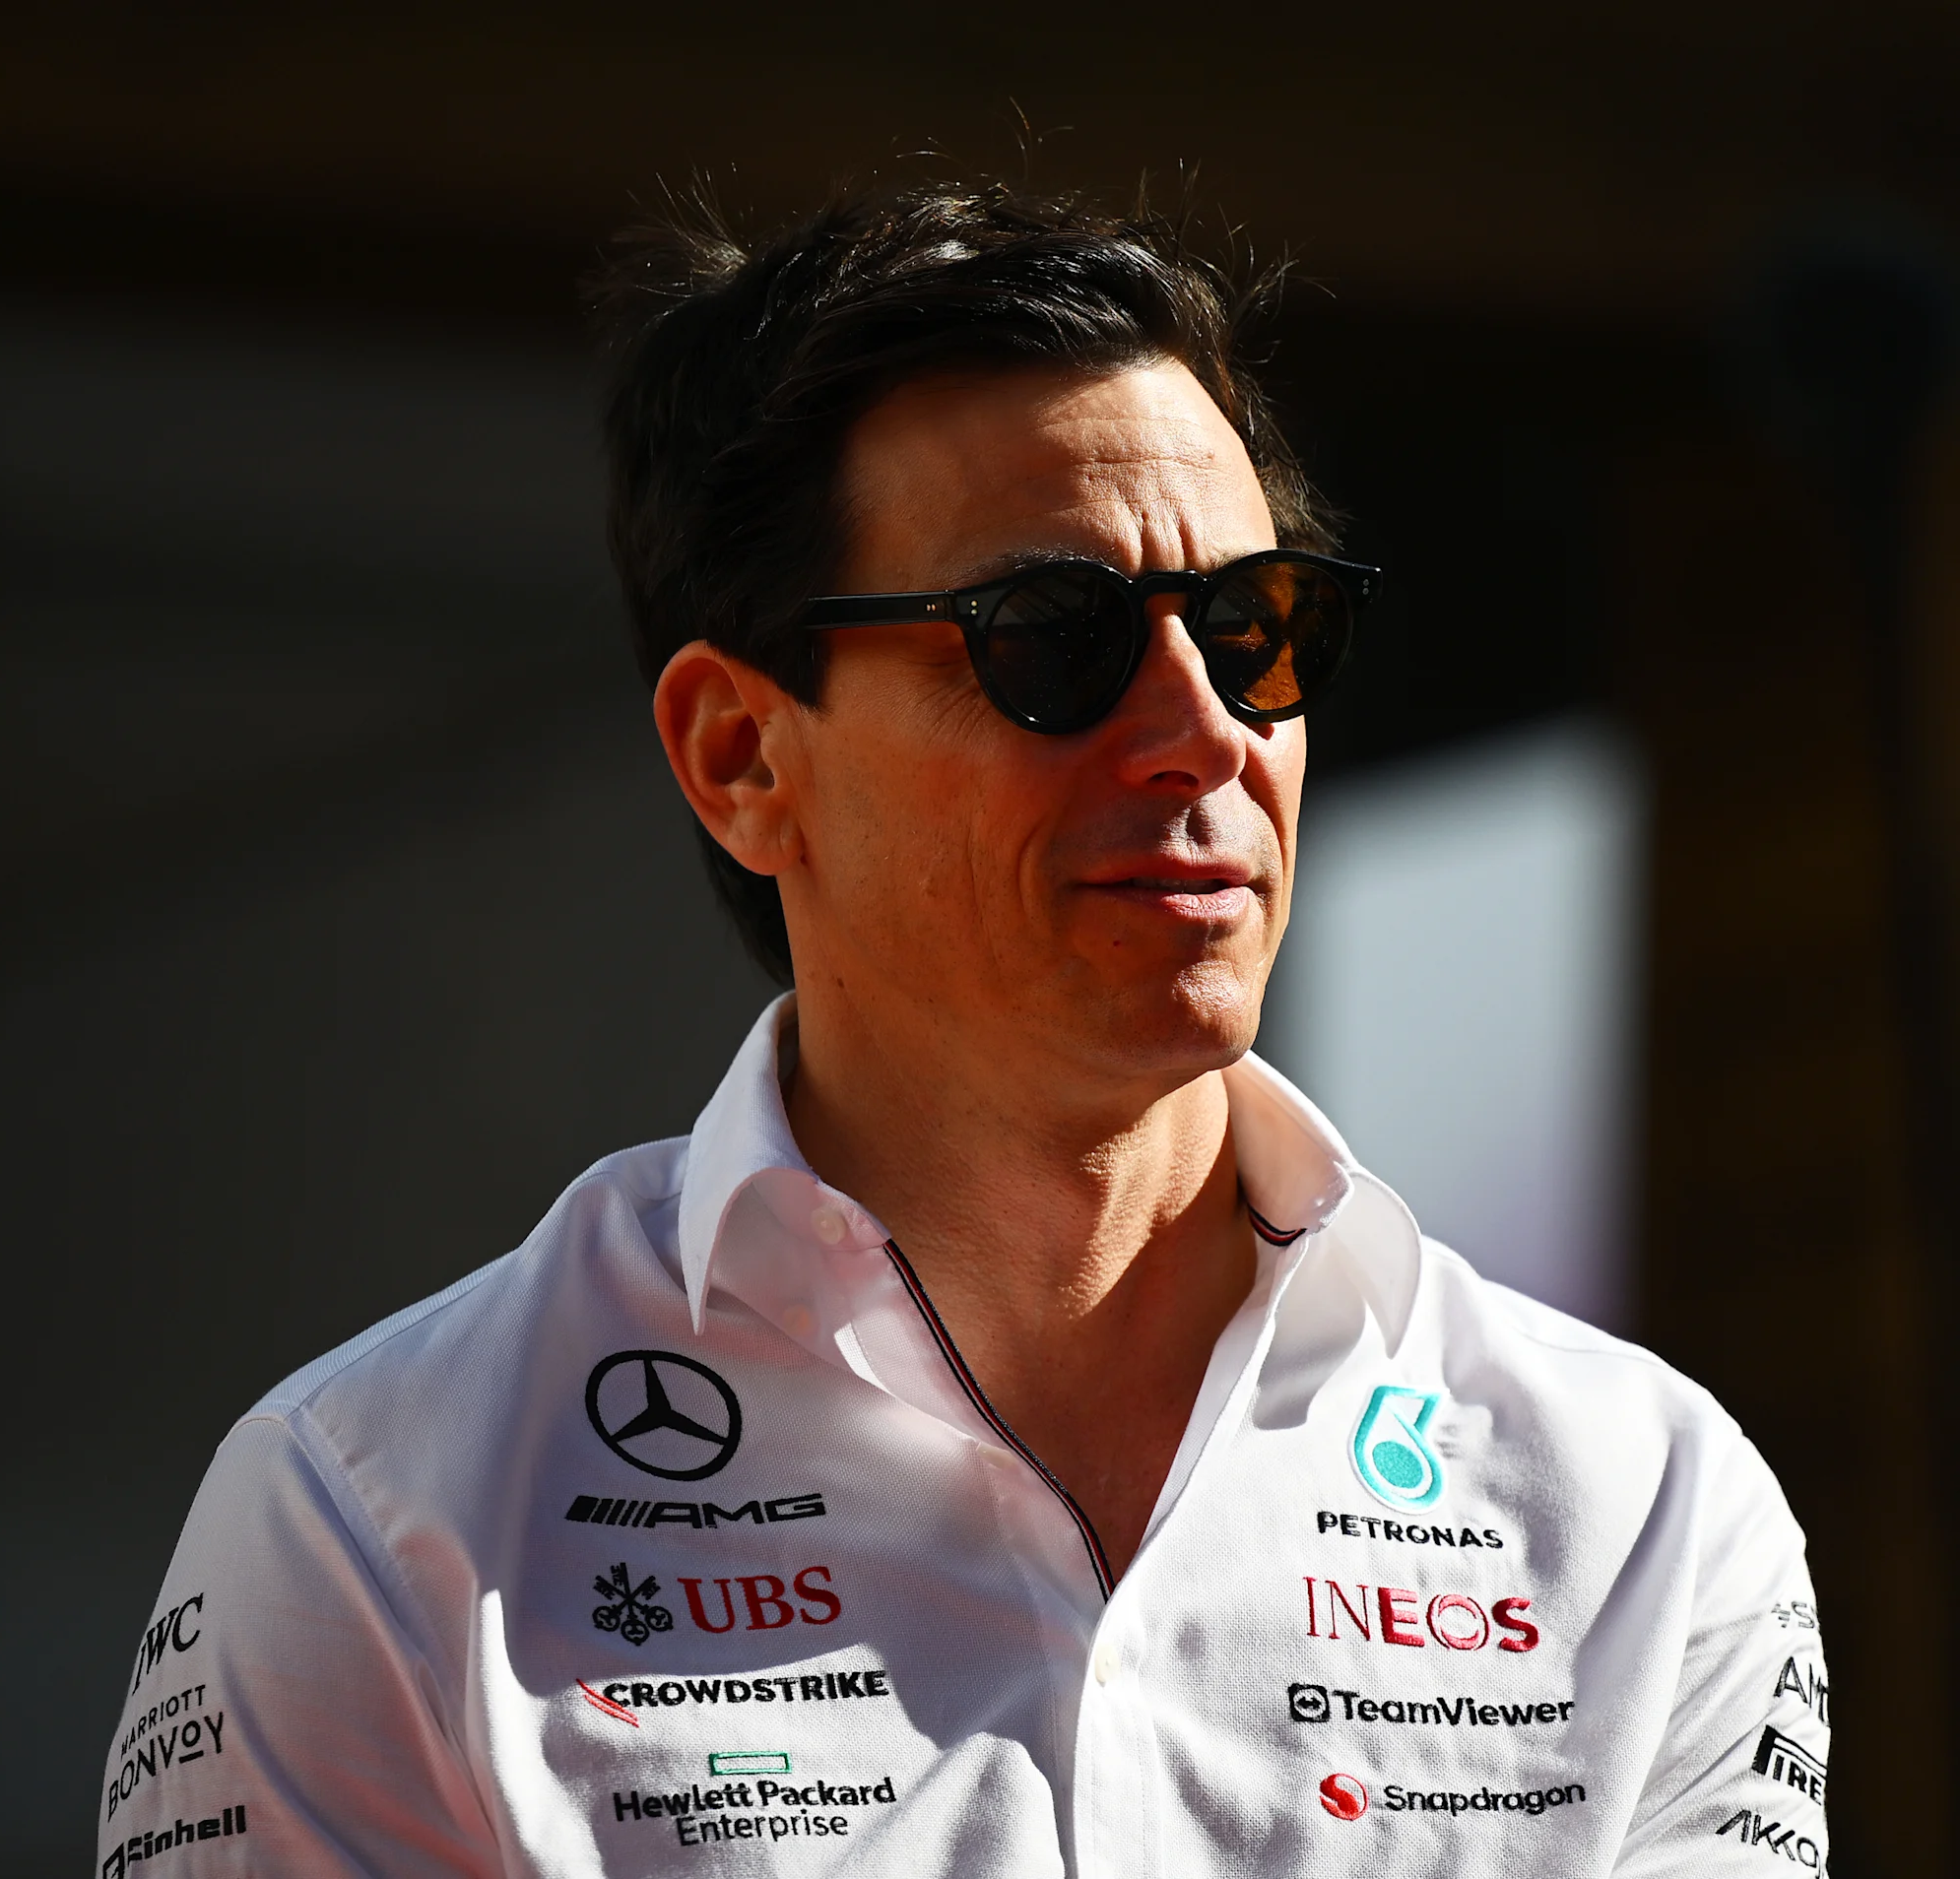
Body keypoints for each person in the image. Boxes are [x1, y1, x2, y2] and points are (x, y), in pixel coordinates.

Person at [95, 180, 1831, 1878]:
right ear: (741, 760)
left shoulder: (1639, 1512)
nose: (1203, 732)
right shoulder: (370, 1522)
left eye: (1253, 627)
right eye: (1052, 639)